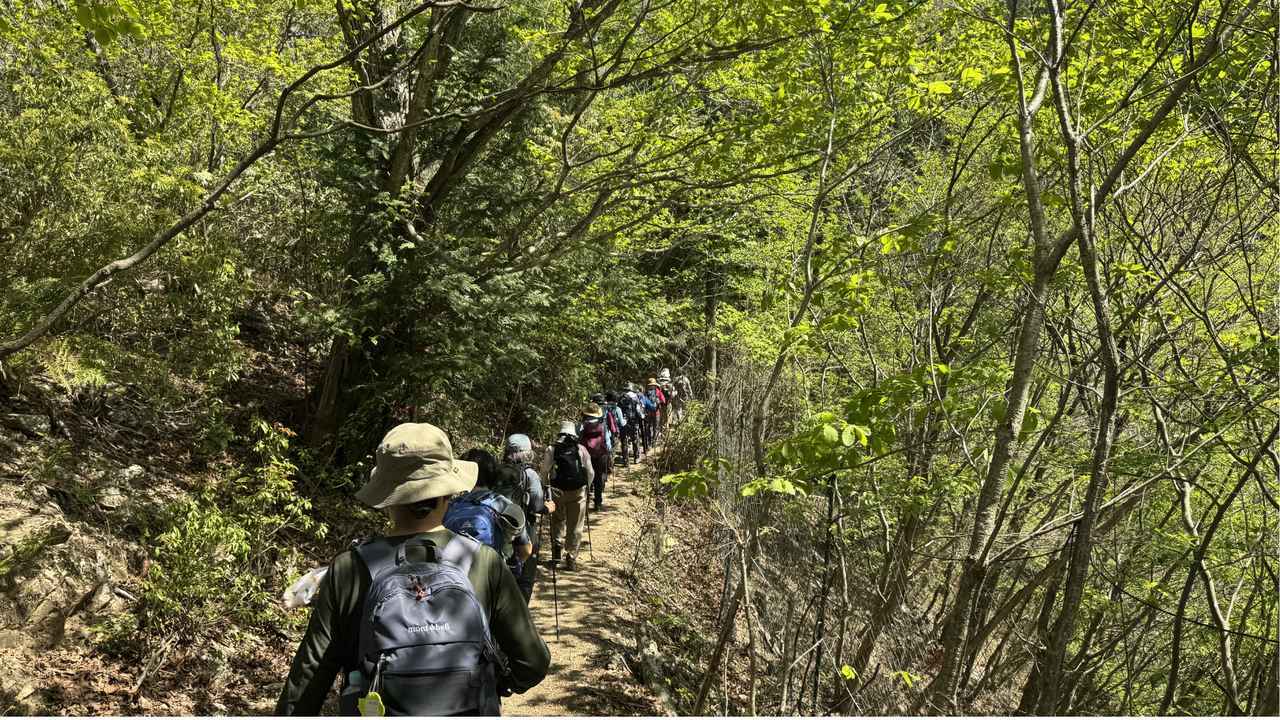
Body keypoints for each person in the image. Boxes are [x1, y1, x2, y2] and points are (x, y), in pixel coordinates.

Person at [276, 423, 549, 715]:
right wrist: (492, 683)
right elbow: (532, 663)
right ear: (449, 491)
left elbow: (309, 676)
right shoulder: (484, 562)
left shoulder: (349, 569)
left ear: (387, 496)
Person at [502, 433, 554, 603]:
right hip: (525, 528)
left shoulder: (497, 470)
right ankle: (521, 611)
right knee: (526, 575)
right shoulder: (529, 474)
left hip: (500, 527)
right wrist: (548, 507)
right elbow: (536, 505)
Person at [541, 420, 593, 571]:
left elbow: (545, 471)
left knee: (557, 520)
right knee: (575, 524)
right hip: (578, 492)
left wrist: (546, 487)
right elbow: (590, 472)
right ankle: (571, 557)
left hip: (558, 491)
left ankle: (557, 552)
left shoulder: (552, 449)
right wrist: (587, 487)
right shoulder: (580, 449)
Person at [579, 402, 611, 512]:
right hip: (600, 454)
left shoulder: (582, 425)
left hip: (585, 454)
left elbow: (578, 439)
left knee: (586, 478)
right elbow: (607, 440)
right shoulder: (602, 425)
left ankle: (585, 501)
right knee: (598, 477)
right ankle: (598, 502)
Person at [615, 388, 642, 465]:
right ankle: (636, 457)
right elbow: (638, 411)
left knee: (624, 441)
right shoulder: (635, 399)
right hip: (633, 422)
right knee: (635, 439)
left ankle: (625, 460)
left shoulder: (620, 400)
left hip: (623, 422)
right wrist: (641, 417)